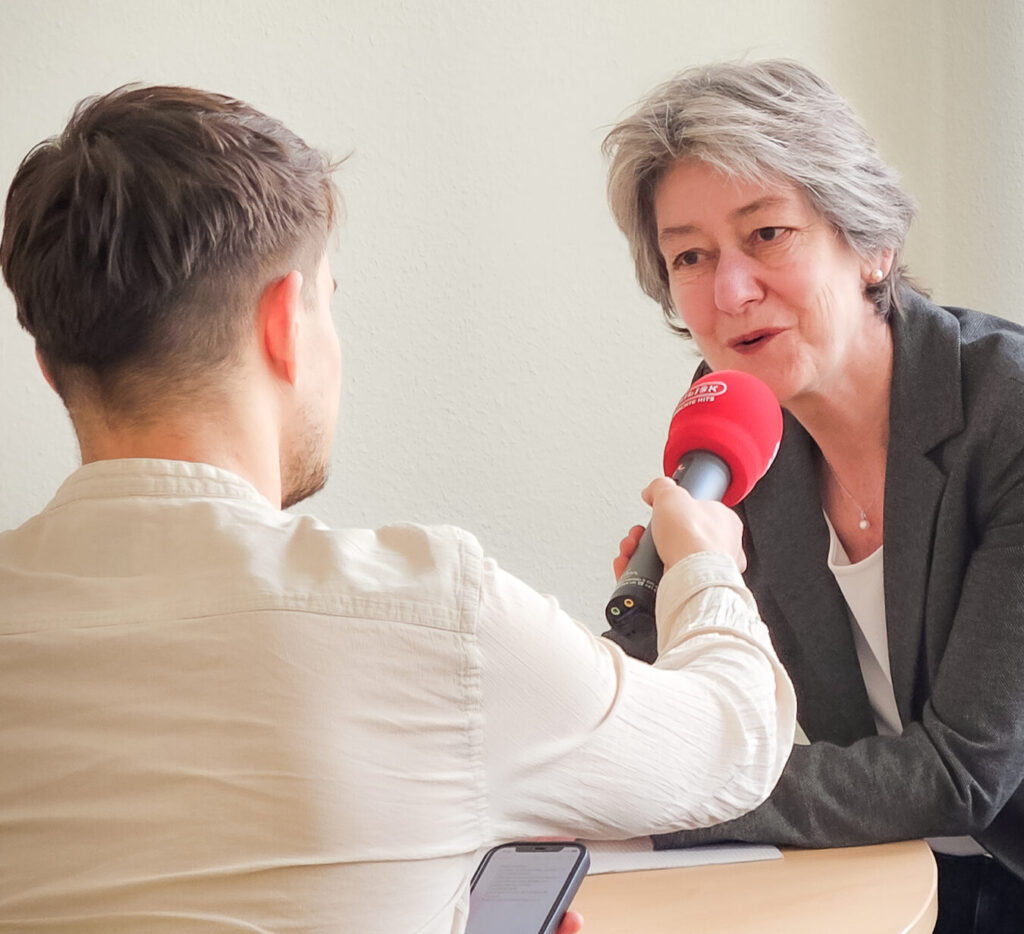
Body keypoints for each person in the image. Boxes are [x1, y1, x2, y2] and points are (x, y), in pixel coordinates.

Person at [0, 84, 795, 933]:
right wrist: (704, 561)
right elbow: (733, 740)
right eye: (328, 301)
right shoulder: (434, 618)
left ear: (50, 367)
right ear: (284, 323)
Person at [602, 59, 1024, 932]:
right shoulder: (742, 432)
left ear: (871, 243)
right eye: (691, 255)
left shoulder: (1007, 417)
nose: (729, 292)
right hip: (907, 875)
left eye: (767, 235)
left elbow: (961, 775)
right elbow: (722, 708)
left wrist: (677, 792)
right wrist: (670, 602)